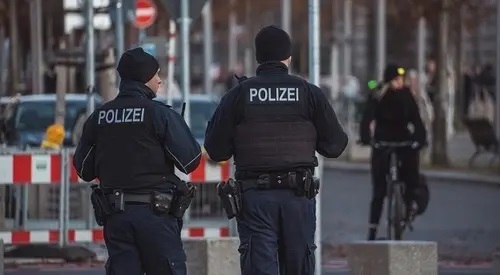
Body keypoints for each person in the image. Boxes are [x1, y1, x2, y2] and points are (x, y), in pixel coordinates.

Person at [204, 25, 348, 275]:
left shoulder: (238, 95)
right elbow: (335, 145)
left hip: (255, 199)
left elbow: (216, 150)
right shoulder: (308, 93)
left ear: (258, 57)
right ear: (288, 57)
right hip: (297, 197)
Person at [73, 47, 201, 275]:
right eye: (156, 75)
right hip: (156, 217)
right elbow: (190, 160)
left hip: (116, 218)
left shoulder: (100, 116)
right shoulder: (159, 114)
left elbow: (84, 169)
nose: (160, 81)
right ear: (145, 78)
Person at [359, 64, 428, 241]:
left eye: (401, 80)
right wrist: (366, 138)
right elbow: (367, 118)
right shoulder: (378, 96)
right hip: (383, 142)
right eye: (396, 80)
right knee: (379, 190)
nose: (399, 83)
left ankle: (410, 204)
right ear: (388, 81)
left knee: (411, 174)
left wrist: (420, 139)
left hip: (404, 141)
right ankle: (372, 230)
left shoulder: (406, 95)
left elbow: (416, 120)